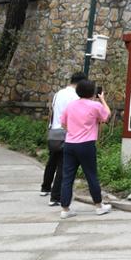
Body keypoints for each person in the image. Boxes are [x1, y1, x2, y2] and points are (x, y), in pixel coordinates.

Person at [59, 79, 111, 219]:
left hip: (70, 144)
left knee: (67, 177)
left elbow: (63, 123)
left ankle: (65, 209)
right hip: (86, 145)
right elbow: (107, 116)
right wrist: (102, 100)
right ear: (93, 93)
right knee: (91, 175)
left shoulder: (71, 105)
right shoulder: (95, 106)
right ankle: (98, 206)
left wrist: (72, 132)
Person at [41, 72, 86, 206]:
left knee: (52, 161)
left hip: (54, 132)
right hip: (67, 133)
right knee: (64, 165)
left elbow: (52, 111)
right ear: (80, 83)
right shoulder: (76, 96)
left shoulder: (58, 93)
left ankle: (45, 188)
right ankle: (56, 197)